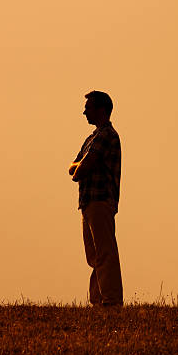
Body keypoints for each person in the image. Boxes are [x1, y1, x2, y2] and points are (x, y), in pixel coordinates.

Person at [69, 91, 123, 306]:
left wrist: (79, 168)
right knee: (95, 255)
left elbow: (83, 166)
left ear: (101, 109)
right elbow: (75, 165)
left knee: (104, 252)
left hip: (100, 200)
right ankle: (99, 301)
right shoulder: (93, 137)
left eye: (88, 107)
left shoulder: (106, 135)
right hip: (89, 201)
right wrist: (78, 167)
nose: (84, 112)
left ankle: (111, 301)